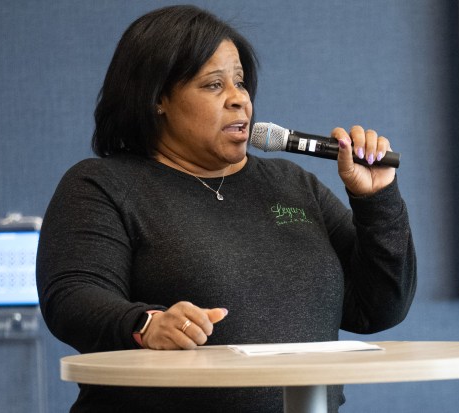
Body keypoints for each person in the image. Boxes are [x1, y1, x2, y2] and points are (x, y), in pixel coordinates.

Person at [36, 5, 417, 413]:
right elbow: (73, 297)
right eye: (214, 85)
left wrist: (375, 200)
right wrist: (145, 324)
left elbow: (378, 307)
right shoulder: (103, 185)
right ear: (157, 98)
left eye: (240, 82)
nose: (239, 99)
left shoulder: (293, 185)